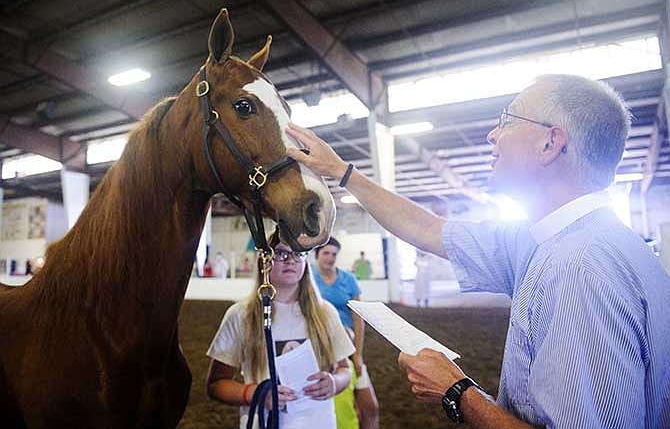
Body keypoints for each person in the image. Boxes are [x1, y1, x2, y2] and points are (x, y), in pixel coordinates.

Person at [285, 74, 670, 428]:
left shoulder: (581, 268)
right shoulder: (558, 241)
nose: (491, 134)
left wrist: (457, 392)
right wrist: (342, 172)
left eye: (507, 119)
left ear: (550, 143)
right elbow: (428, 228)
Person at [206, 232, 354, 429]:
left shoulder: (325, 313)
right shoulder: (240, 315)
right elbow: (216, 385)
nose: (290, 260)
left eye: (298, 254)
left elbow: (344, 369)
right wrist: (257, 394)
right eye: (281, 254)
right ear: (264, 260)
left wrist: (334, 382)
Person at [312, 238, 379, 429]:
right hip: (320, 348)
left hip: (347, 346)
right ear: (317, 255)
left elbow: (358, 318)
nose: (330, 258)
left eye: (334, 254)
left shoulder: (348, 279)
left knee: (370, 407)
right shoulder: (308, 279)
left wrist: (357, 354)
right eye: (326, 253)